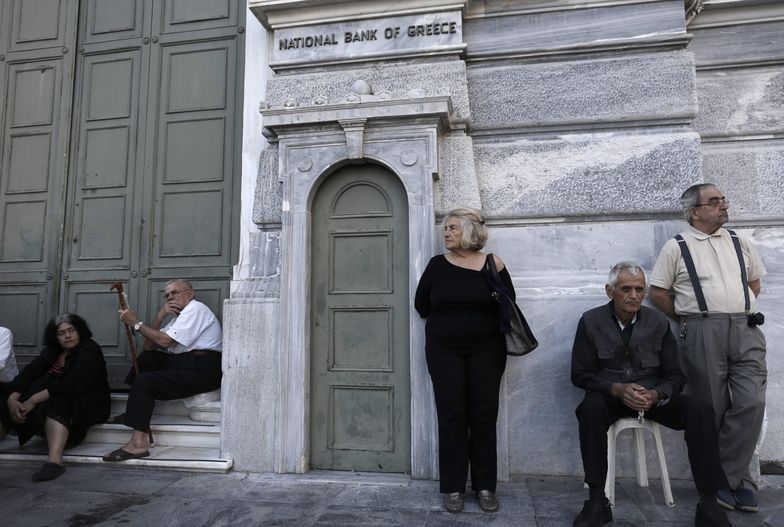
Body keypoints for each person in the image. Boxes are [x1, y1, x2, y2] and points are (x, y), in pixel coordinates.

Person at [571, 262, 732, 526]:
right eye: (626, 289)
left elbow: (676, 375)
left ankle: (710, 505)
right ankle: (597, 501)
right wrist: (618, 389)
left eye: (639, 289)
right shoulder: (591, 321)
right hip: (610, 398)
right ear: (610, 291)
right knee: (590, 408)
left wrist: (656, 394)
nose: (634, 295)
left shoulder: (657, 322)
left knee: (700, 410)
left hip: (652, 398)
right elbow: (580, 374)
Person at [649, 183, 767, 513]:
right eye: (714, 202)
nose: (723, 206)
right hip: (701, 329)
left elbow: (754, 283)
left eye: (723, 200)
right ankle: (736, 483)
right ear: (694, 212)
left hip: (746, 328)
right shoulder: (677, 246)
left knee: (751, 401)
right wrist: (692, 320)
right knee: (711, 408)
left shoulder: (739, 241)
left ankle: (723, 481)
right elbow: (658, 292)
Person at [414, 207, 510, 513]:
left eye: (453, 228)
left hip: (487, 350)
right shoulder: (436, 265)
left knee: (483, 414)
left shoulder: (493, 264)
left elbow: (509, 303)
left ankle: (485, 487)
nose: (446, 233)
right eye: (446, 228)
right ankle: (453, 487)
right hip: (444, 351)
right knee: (452, 415)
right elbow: (421, 304)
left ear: (469, 230)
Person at [102, 279, 222, 462]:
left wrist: (136, 324)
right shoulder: (178, 319)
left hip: (203, 368)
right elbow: (149, 346)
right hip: (186, 363)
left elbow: (166, 342)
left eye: (175, 292)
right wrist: (160, 315)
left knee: (145, 381)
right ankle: (134, 412)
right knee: (146, 359)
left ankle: (138, 445)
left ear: (190, 293)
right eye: (167, 295)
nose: (170, 298)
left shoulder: (196, 309)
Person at [0, 314, 110, 481]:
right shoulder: (53, 352)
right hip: (53, 396)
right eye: (61, 333)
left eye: (71, 330)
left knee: (60, 401)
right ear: (55, 337)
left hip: (87, 402)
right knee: (4, 403)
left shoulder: (90, 349)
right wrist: (12, 399)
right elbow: (29, 374)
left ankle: (55, 461)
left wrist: (32, 400)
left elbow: (73, 385)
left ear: (79, 331)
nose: (67, 336)